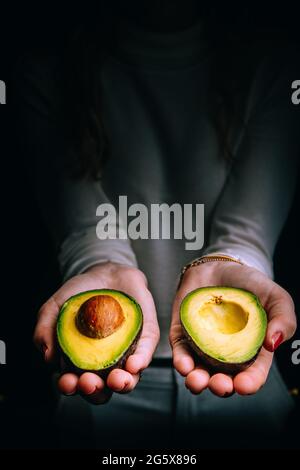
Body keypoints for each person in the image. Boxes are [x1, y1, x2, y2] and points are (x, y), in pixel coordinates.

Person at [17, 2, 299, 448]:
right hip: (101, 387)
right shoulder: (42, 69)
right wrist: (104, 272)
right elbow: (87, 232)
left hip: (243, 387)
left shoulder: (277, 64)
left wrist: (229, 264)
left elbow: (247, 232)